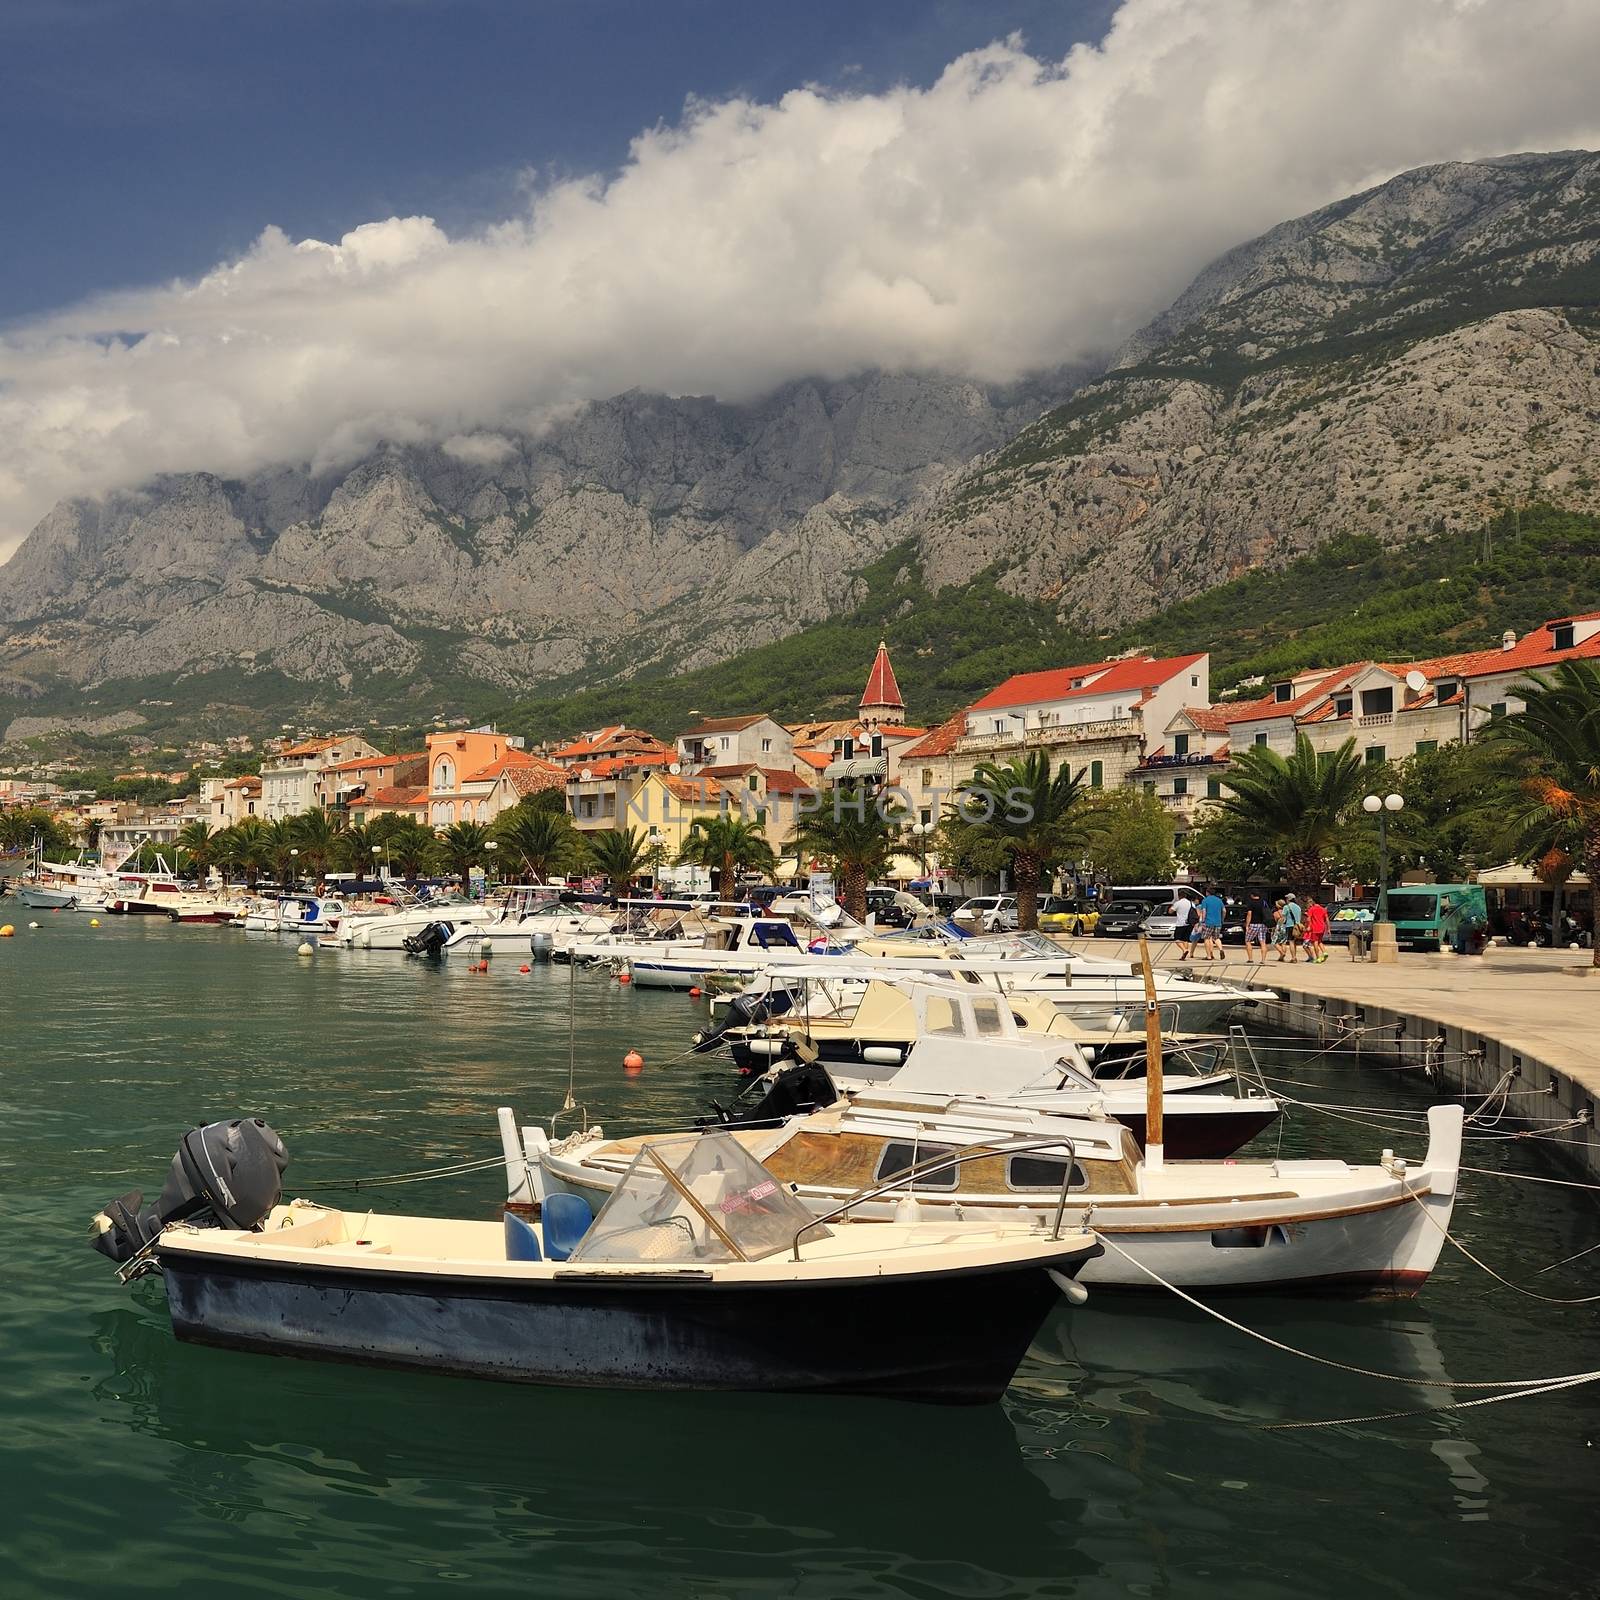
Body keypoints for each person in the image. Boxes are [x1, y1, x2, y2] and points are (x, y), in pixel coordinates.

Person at [1199, 884, 1226, 960]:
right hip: (1218, 922)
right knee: (1216, 937)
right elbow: (1224, 910)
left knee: (1206, 938)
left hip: (1208, 922)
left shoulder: (1205, 900)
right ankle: (1221, 949)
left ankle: (1209, 956)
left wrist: (1203, 921)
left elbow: (1204, 911)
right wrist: (1222, 919)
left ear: (1208, 893)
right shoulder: (1219, 900)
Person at [1244, 889, 1270, 963]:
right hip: (1263, 924)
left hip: (1253, 924)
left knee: (1248, 940)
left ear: (1252, 895)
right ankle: (1263, 960)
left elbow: (1249, 914)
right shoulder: (1263, 902)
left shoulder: (1251, 903)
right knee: (1262, 942)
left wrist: (1247, 925)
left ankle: (1250, 958)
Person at [1279, 892, 1305, 961]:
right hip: (1298, 926)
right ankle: (1294, 956)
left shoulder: (1286, 907)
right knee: (1294, 942)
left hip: (1290, 926)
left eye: (1287, 898)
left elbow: (1283, 917)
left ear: (1289, 899)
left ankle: (1293, 957)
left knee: (1291, 942)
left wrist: (1280, 925)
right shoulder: (1298, 907)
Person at [1170, 893, 1196, 959]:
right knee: (1185, 939)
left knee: (1177, 939)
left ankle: (1184, 950)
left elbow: (1170, 911)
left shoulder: (1178, 903)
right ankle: (1184, 954)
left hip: (1180, 923)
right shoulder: (1191, 903)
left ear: (1179, 896)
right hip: (1189, 923)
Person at [1304, 896, 1329, 962]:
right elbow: (1327, 919)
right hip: (1322, 927)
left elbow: (1308, 919)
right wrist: (1328, 929)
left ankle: (1318, 957)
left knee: (1315, 942)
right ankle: (1324, 952)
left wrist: (1308, 926)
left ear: (1314, 901)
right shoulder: (1323, 909)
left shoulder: (1312, 909)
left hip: (1315, 927)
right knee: (1320, 941)